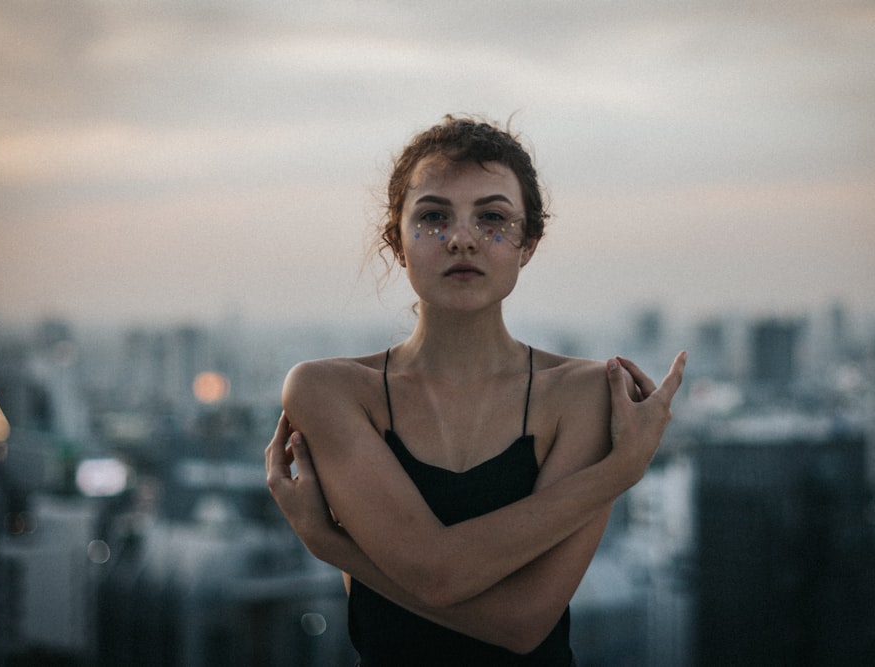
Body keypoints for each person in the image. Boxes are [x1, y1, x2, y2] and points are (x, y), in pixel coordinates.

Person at [266, 115, 686, 666]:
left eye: (492, 218)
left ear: (528, 244)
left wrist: (332, 545)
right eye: (434, 217)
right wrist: (617, 473)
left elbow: (523, 623)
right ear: (396, 241)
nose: (462, 238)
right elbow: (437, 576)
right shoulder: (329, 391)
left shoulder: (586, 392)